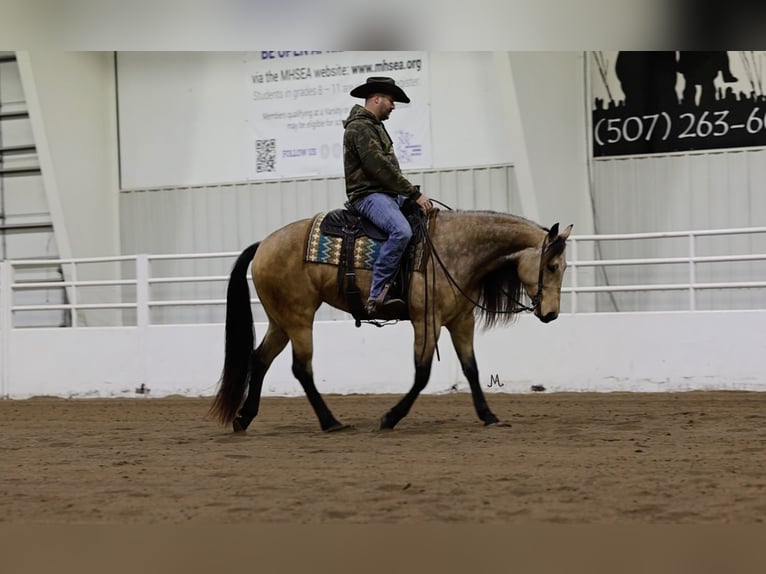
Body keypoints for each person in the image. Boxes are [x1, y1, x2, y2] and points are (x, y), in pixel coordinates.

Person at [342, 76, 433, 317]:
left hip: (386, 194)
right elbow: (378, 167)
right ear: (376, 99)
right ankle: (378, 293)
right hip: (368, 195)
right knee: (401, 231)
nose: (393, 106)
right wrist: (414, 193)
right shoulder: (359, 127)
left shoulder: (374, 126)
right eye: (391, 101)